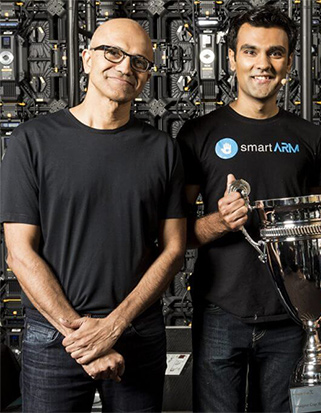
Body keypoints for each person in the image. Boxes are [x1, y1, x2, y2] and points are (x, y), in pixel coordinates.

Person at [176, 6, 321, 412]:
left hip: (294, 314)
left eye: (275, 53)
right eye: (250, 52)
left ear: (288, 62)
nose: (262, 64)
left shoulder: (307, 135)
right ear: (231, 57)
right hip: (220, 313)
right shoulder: (199, 133)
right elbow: (173, 236)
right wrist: (219, 221)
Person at [0, 18, 186, 411]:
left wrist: (115, 325)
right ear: (85, 59)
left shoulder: (162, 150)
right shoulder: (31, 142)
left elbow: (173, 249)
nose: (125, 67)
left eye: (139, 61)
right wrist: (85, 341)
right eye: (113, 53)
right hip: (54, 336)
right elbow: (19, 254)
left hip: (136, 332)